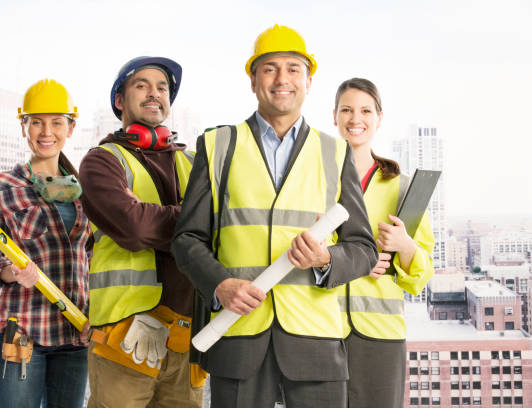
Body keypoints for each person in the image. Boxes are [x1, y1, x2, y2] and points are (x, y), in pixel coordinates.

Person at [171, 25, 378, 408]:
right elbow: (187, 239)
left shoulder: (335, 152)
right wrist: (219, 285)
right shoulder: (218, 146)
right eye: (269, 69)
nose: (282, 79)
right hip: (238, 336)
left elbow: (364, 249)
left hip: (315, 340)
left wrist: (327, 259)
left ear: (308, 80)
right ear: (253, 80)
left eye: (293, 68)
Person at [78, 56, 205, 408]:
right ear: (120, 100)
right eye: (142, 85)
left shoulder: (194, 162)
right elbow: (132, 227)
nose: (154, 94)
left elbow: (218, 227)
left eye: (162, 87)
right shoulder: (102, 161)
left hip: (186, 335)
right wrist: (192, 219)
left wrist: (158, 217)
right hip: (124, 336)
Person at [0, 79, 91, 408]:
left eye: (57, 122)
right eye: (36, 121)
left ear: (70, 128)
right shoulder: (3, 185)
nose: (46, 131)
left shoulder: (86, 189)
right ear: (23, 126)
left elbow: (94, 260)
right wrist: (11, 272)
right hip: (21, 329)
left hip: (74, 333)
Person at [332, 78, 435, 408]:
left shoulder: (403, 188)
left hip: (381, 334)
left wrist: (404, 245)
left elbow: (422, 275)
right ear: (334, 116)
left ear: (379, 118)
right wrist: (354, 258)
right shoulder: (315, 180)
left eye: (365, 110)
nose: (355, 118)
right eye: (346, 110)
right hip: (320, 327)